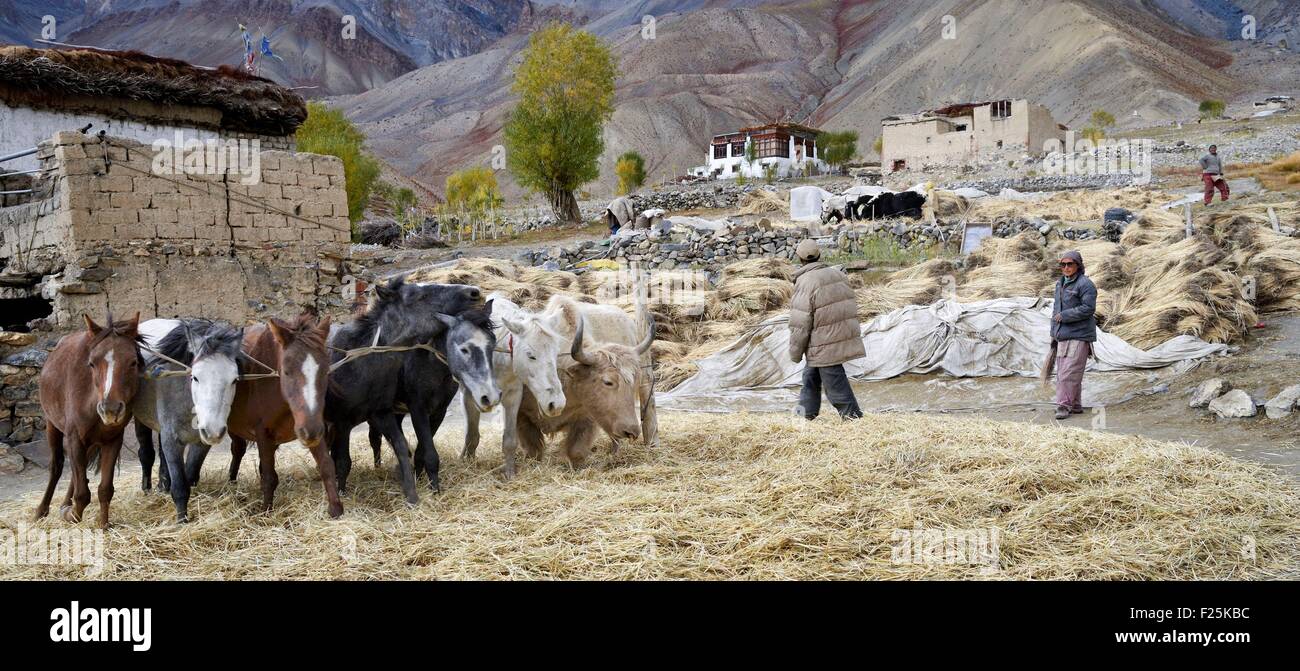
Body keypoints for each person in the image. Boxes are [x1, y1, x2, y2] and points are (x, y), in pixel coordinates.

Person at [788, 239, 865, 420]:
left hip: (823, 343)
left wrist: (795, 352)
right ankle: (805, 417)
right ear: (819, 255)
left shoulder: (805, 282)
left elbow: (800, 323)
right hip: (838, 336)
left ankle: (854, 419)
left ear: (799, 259)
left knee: (836, 387)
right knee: (810, 378)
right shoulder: (837, 274)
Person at [1050, 250, 1097, 420]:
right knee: (1065, 370)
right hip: (1063, 335)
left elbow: (1088, 309)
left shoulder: (1086, 285)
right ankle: (1075, 404)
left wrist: (1066, 316)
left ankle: (1063, 405)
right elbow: (1056, 309)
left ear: (1078, 265)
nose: (1066, 267)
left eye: (1070, 264)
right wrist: (1053, 333)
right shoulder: (1060, 283)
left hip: (1079, 334)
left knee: (1069, 371)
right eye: (1063, 264)